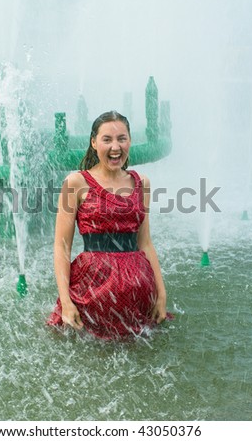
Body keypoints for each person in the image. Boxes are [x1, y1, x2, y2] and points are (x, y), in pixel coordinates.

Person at [47, 110, 169, 340]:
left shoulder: (142, 183)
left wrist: (161, 294)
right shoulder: (76, 183)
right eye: (107, 139)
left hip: (138, 294)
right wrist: (65, 301)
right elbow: (61, 247)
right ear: (94, 143)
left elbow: (145, 243)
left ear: (130, 141)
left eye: (122, 139)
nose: (116, 147)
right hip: (92, 290)